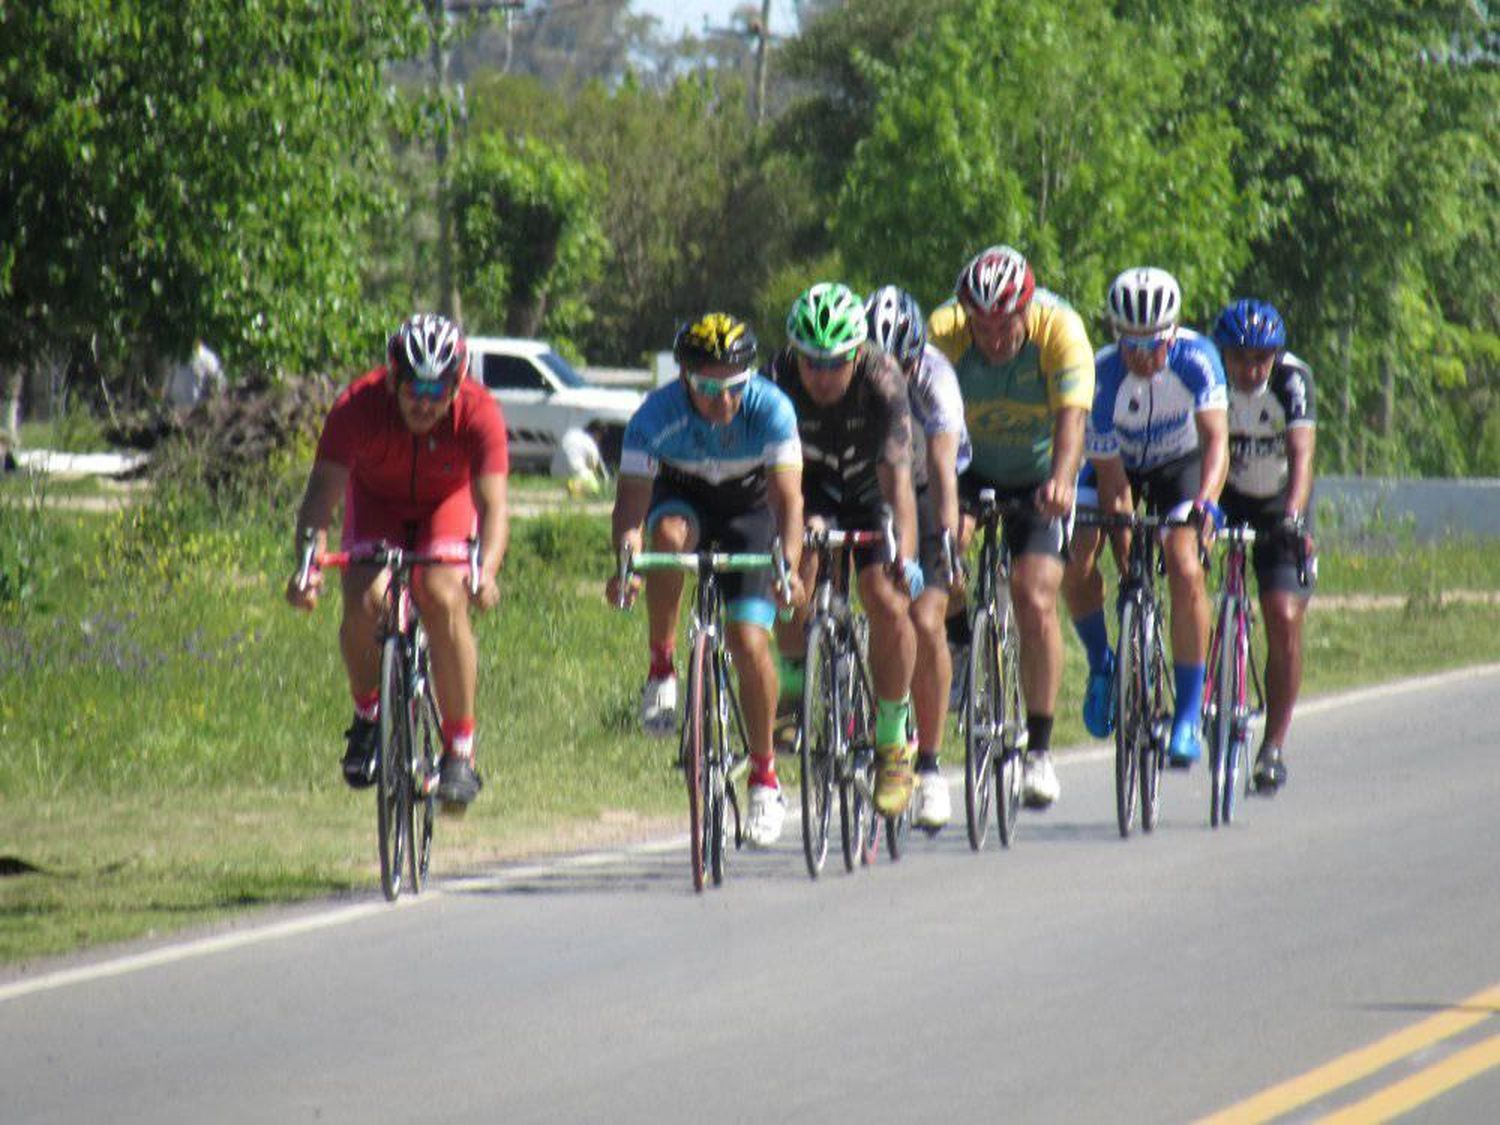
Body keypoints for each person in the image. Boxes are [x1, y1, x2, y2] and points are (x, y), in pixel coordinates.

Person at [285, 313, 509, 809]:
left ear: (457, 384)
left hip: (446, 506)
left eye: (438, 393)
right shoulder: (356, 407)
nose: (425, 405)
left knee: (441, 593)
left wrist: (485, 570)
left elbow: (493, 506)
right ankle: (368, 715)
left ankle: (459, 752)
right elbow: (321, 496)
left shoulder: (480, 411)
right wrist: (307, 567)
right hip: (377, 505)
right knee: (366, 599)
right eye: (414, 392)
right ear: (392, 380)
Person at [606, 313, 804, 847]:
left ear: (751, 379)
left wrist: (787, 564)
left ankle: (765, 778)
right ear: (683, 378)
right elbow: (631, 509)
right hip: (684, 500)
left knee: (747, 641)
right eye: (706, 387)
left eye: (733, 387)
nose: (721, 401)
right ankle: (662, 666)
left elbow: (789, 503)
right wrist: (627, 565)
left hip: (749, 513)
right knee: (667, 537)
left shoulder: (773, 409)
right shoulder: (654, 415)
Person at [927, 245, 1094, 809]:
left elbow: (1073, 419)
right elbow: (925, 420)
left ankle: (1040, 751)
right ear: (966, 317)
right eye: (983, 327)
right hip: (969, 471)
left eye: (1006, 326)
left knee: (1034, 595)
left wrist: (1063, 479)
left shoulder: (1061, 331)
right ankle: (956, 633)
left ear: (1027, 312)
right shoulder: (943, 333)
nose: (995, 340)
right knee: (943, 551)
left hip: (1040, 477)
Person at [1063, 267, 1228, 767]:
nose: (1140, 356)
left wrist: (1206, 505)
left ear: (1172, 334)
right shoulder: (1103, 375)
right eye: (1129, 343)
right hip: (1118, 468)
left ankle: (1188, 711)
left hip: (1179, 465)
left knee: (1183, 565)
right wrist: (1130, 563)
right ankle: (1101, 664)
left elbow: (1218, 441)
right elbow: (1113, 486)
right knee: (1077, 558)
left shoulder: (1199, 359)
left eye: (1152, 344)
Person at [771, 282, 922, 819]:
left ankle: (891, 742)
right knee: (795, 573)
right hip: (810, 486)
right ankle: (791, 689)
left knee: (885, 596)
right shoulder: (780, 375)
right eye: (810, 361)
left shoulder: (883, 380)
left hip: (869, 489)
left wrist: (906, 554)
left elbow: (898, 481)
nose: (820, 375)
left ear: (856, 353)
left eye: (834, 363)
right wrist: (792, 529)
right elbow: (773, 472)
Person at [864, 284, 970, 831]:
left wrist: (947, 539)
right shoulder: (854, 375)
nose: (894, 376)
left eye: (901, 363)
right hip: (872, 487)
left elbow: (945, 466)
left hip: (930, 487)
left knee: (927, 620)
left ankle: (929, 767)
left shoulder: (935, 379)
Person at [1212, 298, 1317, 792]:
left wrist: (1294, 515)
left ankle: (1273, 744)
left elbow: (1301, 453)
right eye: (1240, 358)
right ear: (1223, 354)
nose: (1251, 369)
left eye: (1261, 358)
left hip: (1279, 500)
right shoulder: (1209, 374)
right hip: (1227, 493)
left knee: (1282, 612)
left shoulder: (1293, 379)